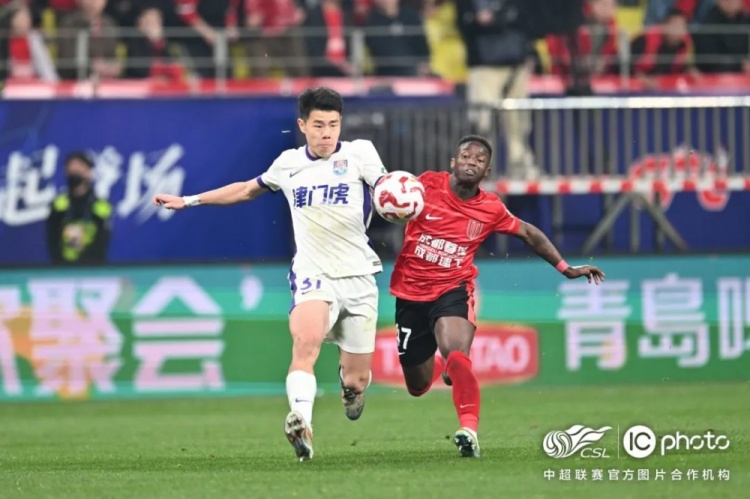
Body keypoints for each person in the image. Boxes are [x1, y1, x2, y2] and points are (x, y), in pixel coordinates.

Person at [152, 87, 387, 462]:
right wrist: (190, 200)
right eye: (319, 125)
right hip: (313, 273)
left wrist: (401, 198)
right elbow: (247, 190)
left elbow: (389, 192)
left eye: (333, 124)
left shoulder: (361, 154)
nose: (327, 133)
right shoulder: (289, 163)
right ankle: (302, 423)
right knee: (305, 344)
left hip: (359, 276)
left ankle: (351, 388)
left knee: (357, 378)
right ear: (302, 125)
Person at [389, 135, 605, 458]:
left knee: (458, 355)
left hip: (452, 290)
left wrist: (566, 268)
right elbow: (391, 197)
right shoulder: (425, 185)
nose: (471, 162)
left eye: (479, 160)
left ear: (486, 171)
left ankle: (468, 431)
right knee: (417, 386)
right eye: (466, 156)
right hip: (409, 294)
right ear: (453, 162)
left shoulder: (490, 208)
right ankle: (442, 364)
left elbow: (529, 233)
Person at [47, 152, 112, 265]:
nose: (75, 173)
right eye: (71, 169)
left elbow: (102, 240)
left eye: (79, 169)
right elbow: (52, 237)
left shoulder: (101, 206)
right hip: (62, 267)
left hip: (92, 267)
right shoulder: (59, 204)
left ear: (89, 173)